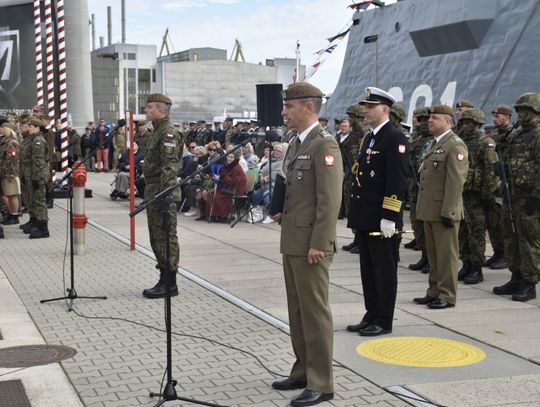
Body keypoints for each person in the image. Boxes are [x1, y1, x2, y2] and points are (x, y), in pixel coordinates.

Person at [270, 82, 342, 407]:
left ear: (308, 108)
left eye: (290, 106)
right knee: (297, 312)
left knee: (315, 314)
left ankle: (322, 382)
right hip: (293, 241)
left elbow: (329, 201)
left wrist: (320, 242)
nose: (284, 112)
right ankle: (302, 370)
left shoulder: (324, 145)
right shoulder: (298, 143)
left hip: (311, 245)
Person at [345, 87, 409, 337]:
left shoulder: (394, 137)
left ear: (385, 110)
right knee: (368, 271)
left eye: (370, 108)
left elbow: (398, 179)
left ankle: (384, 320)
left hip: (381, 218)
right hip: (366, 215)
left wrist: (390, 216)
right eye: (365, 107)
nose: (365, 112)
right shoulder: (370, 137)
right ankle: (371, 314)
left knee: (383, 271)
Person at [414, 105, 468, 309]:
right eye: (430, 118)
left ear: (447, 121)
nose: (430, 121)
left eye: (435, 118)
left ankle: (447, 295)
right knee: (434, 255)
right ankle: (434, 290)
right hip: (429, 209)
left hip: (444, 210)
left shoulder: (455, 145)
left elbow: (455, 182)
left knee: (446, 256)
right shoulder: (433, 143)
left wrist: (449, 211)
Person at [493, 92, 540, 302]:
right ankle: (516, 276)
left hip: (529, 196)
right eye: (520, 111)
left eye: (526, 111)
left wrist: (536, 196)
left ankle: (529, 283)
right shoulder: (516, 134)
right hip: (511, 194)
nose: (522, 115)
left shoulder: (537, 135)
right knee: (510, 236)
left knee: (528, 239)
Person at [141, 94, 184, 299]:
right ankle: (164, 278)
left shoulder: (168, 133)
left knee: (165, 237)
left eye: (150, 107)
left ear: (161, 110)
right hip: (154, 190)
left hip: (162, 192)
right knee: (156, 237)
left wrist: (165, 196)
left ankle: (170, 283)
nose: (146, 110)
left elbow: (169, 168)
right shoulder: (157, 131)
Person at [456, 108, 499, 285]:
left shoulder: (485, 143)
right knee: (462, 232)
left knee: (477, 232)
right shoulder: (460, 141)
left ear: (477, 124)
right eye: (464, 123)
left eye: (470, 123)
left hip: (477, 195)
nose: (466, 126)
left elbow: (491, 170)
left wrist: (487, 194)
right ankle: (466, 263)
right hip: (462, 193)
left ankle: (476, 268)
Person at [407, 107, 432, 274]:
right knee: (417, 221)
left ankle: (430, 258)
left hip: (428, 188)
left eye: (425, 120)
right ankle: (424, 255)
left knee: (427, 224)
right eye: (419, 120)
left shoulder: (434, 141)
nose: (421, 123)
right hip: (415, 187)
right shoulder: (416, 140)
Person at [26, 117, 51, 239]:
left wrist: (37, 178)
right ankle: (38, 225)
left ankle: (43, 229)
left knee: (40, 202)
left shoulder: (38, 142)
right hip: (36, 174)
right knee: (36, 201)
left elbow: (39, 162)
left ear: (36, 127)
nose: (28, 128)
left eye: (30, 126)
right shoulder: (34, 139)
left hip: (39, 175)